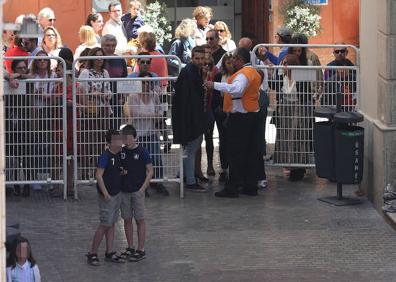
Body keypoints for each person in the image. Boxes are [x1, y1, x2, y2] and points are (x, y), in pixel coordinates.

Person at [206, 48, 262, 197]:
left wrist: (214, 85)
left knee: (235, 153)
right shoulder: (252, 72)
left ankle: (233, 187)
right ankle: (250, 186)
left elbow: (237, 90)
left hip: (241, 117)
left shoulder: (243, 74)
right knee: (250, 153)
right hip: (250, 115)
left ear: (240, 60)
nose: (233, 62)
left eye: (235, 59)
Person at [126, 68, 169, 196]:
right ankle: (141, 185)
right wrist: (152, 114)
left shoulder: (154, 96)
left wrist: (152, 115)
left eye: (149, 82)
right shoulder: (133, 96)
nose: (146, 85)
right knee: (138, 160)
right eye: (143, 82)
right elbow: (134, 113)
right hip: (137, 135)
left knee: (156, 158)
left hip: (151, 132)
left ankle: (157, 181)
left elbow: (160, 113)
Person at [271, 54, 313, 181]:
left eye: (286, 63)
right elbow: (273, 86)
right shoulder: (281, 77)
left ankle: (299, 168)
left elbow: (308, 93)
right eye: (283, 63)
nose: (284, 66)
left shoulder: (301, 77)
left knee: (298, 137)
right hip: (285, 108)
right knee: (285, 137)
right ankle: (288, 165)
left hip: (298, 108)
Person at [86, 129, 125, 266]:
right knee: (104, 224)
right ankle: (92, 252)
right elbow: (98, 175)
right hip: (108, 196)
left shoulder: (118, 156)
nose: (121, 142)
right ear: (111, 142)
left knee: (111, 224)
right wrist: (105, 193)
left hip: (116, 194)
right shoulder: (105, 156)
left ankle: (109, 251)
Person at [172, 46, 208, 191]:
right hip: (190, 118)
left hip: (190, 118)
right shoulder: (189, 73)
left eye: (201, 58)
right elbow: (188, 101)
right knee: (191, 150)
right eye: (197, 58)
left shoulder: (192, 71)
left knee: (189, 150)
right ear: (192, 58)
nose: (199, 61)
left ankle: (183, 175)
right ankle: (190, 181)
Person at [119, 124, 152, 262]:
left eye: (128, 138)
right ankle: (130, 246)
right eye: (124, 138)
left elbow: (150, 171)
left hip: (137, 191)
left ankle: (141, 248)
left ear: (135, 138)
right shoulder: (122, 152)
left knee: (140, 220)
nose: (126, 141)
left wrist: (142, 189)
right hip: (125, 191)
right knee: (127, 219)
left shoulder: (142, 152)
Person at [212, 53, 234, 182]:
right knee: (223, 139)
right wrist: (219, 109)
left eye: (232, 62)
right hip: (222, 110)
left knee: (234, 140)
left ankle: (234, 168)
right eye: (228, 63)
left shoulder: (239, 76)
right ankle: (224, 168)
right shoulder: (220, 76)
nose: (230, 65)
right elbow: (216, 94)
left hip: (235, 110)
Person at [101, 34, 128, 129]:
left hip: (116, 100)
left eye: (113, 45)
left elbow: (124, 79)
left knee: (115, 128)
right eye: (107, 45)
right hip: (100, 100)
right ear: (102, 46)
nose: (110, 48)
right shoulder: (97, 60)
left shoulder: (120, 60)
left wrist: (123, 96)